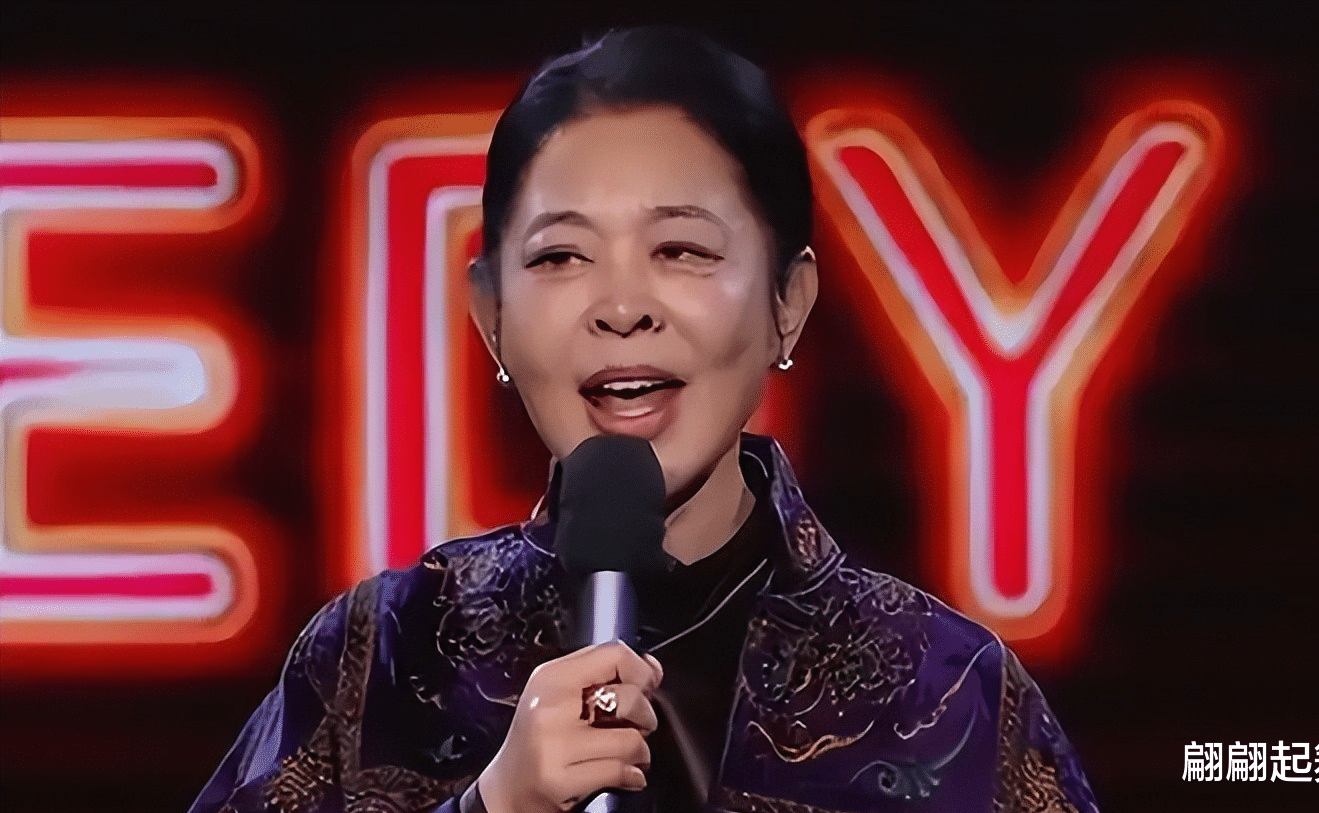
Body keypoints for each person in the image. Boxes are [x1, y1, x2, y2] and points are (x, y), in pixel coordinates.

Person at [190, 26, 1099, 813]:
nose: (622, 307)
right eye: (561, 256)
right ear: (490, 316)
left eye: (682, 249)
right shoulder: (384, 658)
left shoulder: (952, 693)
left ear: (788, 302)